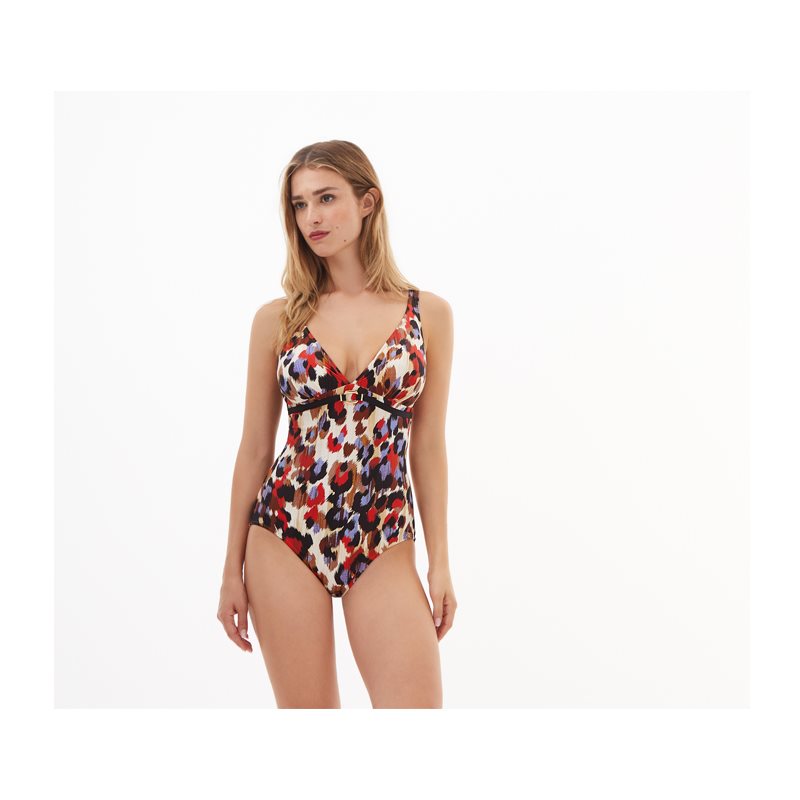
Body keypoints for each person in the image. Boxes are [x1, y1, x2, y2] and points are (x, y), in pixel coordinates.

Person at [217, 140, 456, 708]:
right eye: (299, 205)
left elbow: (428, 446)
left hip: (383, 536)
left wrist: (440, 561)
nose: (312, 218)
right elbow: (255, 448)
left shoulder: (428, 315)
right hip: (284, 532)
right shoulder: (278, 320)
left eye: (326, 198)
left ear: (367, 202)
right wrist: (230, 569)